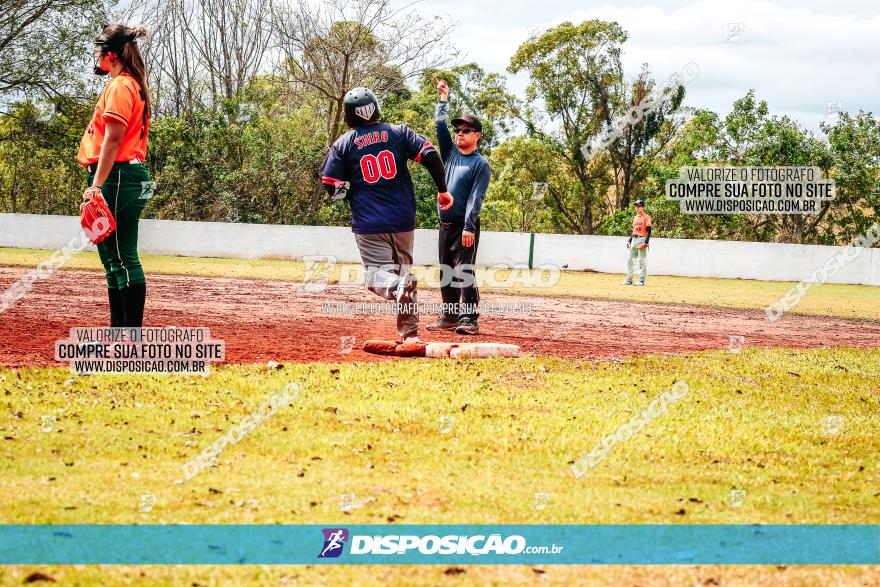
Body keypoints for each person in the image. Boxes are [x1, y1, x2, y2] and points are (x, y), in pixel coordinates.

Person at [320, 87, 453, 341]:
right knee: (405, 275)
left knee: (375, 276)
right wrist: (443, 190)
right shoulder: (398, 132)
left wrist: (352, 194)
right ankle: (410, 334)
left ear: (348, 116)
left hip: (369, 223)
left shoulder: (344, 144)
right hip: (403, 219)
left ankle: (396, 287)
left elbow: (329, 183)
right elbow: (430, 155)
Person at [77, 24, 152, 327]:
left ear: (112, 54)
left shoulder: (121, 85)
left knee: (122, 257)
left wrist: (96, 185)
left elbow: (113, 138)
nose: (97, 55)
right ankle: (118, 333)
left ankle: (130, 337)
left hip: (119, 176)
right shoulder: (124, 83)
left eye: (100, 49)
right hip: (115, 175)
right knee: (112, 261)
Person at [426, 77, 491, 335]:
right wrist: (443, 98)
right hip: (445, 224)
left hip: (466, 228)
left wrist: (469, 227)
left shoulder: (480, 164)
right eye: (458, 131)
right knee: (446, 272)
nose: (460, 134)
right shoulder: (450, 154)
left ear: (477, 135)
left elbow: (476, 199)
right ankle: (451, 316)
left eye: (465, 131)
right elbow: (439, 124)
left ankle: (470, 319)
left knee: (464, 271)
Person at [622, 199, 652, 286]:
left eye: (639, 206)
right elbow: (634, 231)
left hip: (642, 239)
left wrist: (646, 242)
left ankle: (641, 281)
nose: (637, 208)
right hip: (634, 239)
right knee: (630, 260)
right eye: (636, 206)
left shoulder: (647, 217)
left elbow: (649, 231)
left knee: (641, 261)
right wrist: (629, 240)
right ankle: (629, 280)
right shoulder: (635, 218)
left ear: (643, 207)